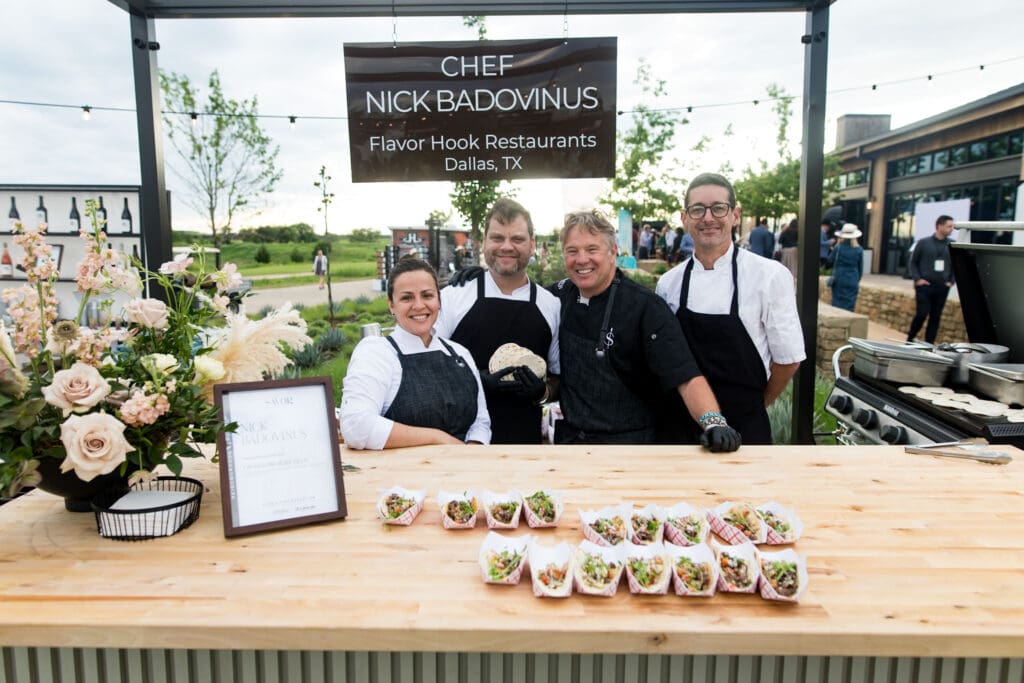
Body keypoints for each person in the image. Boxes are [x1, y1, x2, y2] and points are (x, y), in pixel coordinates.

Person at [548, 209, 741, 452]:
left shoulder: (645, 307)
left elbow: (685, 376)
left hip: (631, 447)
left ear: (613, 252)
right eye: (572, 251)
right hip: (572, 445)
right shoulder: (555, 297)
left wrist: (714, 422)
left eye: (592, 249)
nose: (582, 259)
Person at [655, 173, 805, 445]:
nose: (708, 218)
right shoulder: (668, 283)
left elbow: (788, 360)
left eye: (718, 208)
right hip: (679, 427)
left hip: (744, 428)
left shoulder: (770, 276)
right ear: (685, 218)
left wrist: (753, 407)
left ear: (735, 215)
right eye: (697, 209)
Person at [435, 198, 560, 444]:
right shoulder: (453, 297)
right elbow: (428, 367)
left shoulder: (551, 305)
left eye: (517, 239)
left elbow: (557, 378)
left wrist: (542, 392)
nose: (506, 246)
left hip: (525, 446)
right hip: (460, 445)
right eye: (497, 238)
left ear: (532, 244)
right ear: (483, 242)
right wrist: (474, 381)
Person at [339, 257, 491, 449]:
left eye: (427, 295)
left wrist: (471, 452)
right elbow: (356, 426)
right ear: (391, 305)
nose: (419, 305)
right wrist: (437, 438)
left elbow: (480, 422)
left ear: (439, 300)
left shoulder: (460, 353)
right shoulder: (377, 352)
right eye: (407, 298)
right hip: (401, 468)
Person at [907, 215, 956, 344]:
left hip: (942, 286)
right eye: (949, 226)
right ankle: (909, 340)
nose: (952, 229)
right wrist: (918, 279)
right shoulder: (923, 243)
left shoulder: (952, 245)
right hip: (924, 286)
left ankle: (929, 344)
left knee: (935, 317)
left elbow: (957, 265)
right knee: (922, 314)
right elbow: (913, 262)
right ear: (939, 226)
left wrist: (951, 281)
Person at [828, 223, 864, 312]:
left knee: (837, 303)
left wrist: (836, 244)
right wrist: (857, 279)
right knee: (850, 304)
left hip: (839, 277)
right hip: (852, 277)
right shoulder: (859, 249)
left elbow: (830, 259)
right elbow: (860, 268)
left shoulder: (838, 248)